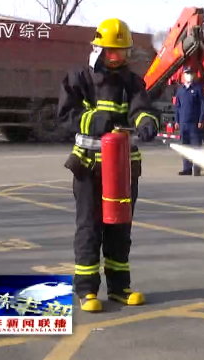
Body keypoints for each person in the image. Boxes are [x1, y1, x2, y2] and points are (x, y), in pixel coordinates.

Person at [56, 18, 160, 312]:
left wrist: (147, 121)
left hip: (124, 170)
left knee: (120, 229)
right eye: (113, 53)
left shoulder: (131, 80)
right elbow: (65, 116)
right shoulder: (79, 77)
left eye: (123, 53)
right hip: (89, 168)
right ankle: (87, 291)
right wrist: (95, 122)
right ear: (99, 49)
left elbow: (142, 106)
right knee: (89, 228)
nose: (119, 59)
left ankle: (119, 288)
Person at [175, 66, 204, 176]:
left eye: (190, 73)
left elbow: (203, 104)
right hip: (183, 124)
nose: (189, 75)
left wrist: (201, 119)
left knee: (196, 146)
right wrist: (177, 121)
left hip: (194, 123)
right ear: (183, 75)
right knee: (185, 146)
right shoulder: (180, 90)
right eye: (187, 73)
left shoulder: (198, 88)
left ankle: (197, 169)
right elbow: (177, 107)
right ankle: (187, 168)